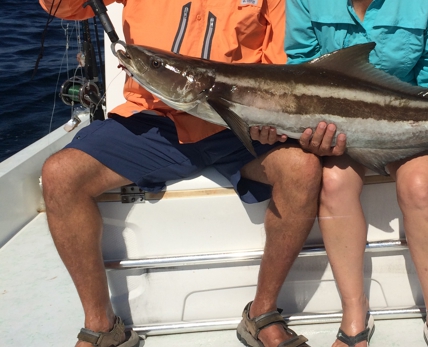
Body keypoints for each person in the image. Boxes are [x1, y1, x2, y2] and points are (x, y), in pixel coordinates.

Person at [39, 1, 320, 347]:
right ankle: (101, 327)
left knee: (302, 169)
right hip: (153, 118)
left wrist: (269, 120)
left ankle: (262, 314)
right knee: (61, 175)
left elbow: (279, 69)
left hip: (237, 122)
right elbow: (67, 8)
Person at [285, 0, 428, 346]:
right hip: (341, 128)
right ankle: (355, 314)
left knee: (420, 186)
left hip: (417, 123)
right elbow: (301, 67)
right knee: (334, 182)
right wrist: (310, 129)